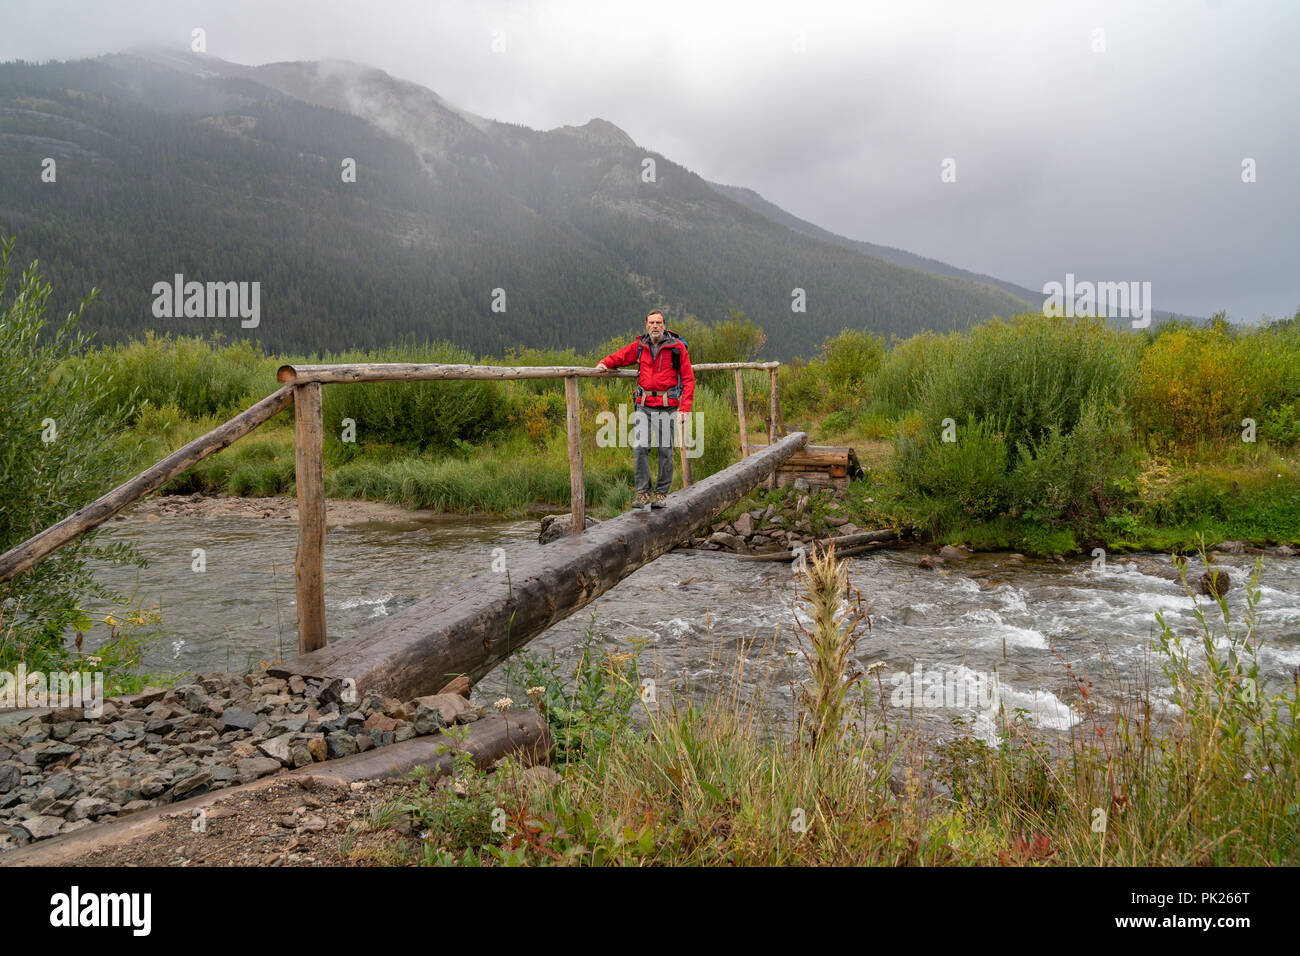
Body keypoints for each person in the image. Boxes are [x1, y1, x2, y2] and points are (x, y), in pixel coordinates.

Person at [596, 310, 694, 508]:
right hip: (644, 405)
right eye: (652, 323)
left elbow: (688, 378)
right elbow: (621, 356)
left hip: (668, 407)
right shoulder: (640, 346)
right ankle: (642, 493)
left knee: (665, 450)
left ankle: (660, 494)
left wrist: (685, 408)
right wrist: (605, 363)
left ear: (664, 325)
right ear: (646, 325)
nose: (655, 326)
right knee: (640, 447)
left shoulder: (676, 348)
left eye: (658, 322)